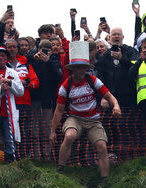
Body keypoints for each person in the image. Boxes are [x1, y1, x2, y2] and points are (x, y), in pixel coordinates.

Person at [50, 45, 122, 179]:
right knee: (69, 135)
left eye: (83, 67)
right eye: (78, 67)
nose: (81, 70)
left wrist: (116, 106)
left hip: (93, 119)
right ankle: (60, 170)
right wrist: (53, 131)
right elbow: (59, 110)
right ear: (73, 69)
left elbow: (109, 96)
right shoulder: (66, 86)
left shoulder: (93, 80)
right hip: (74, 118)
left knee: (102, 146)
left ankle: (104, 180)